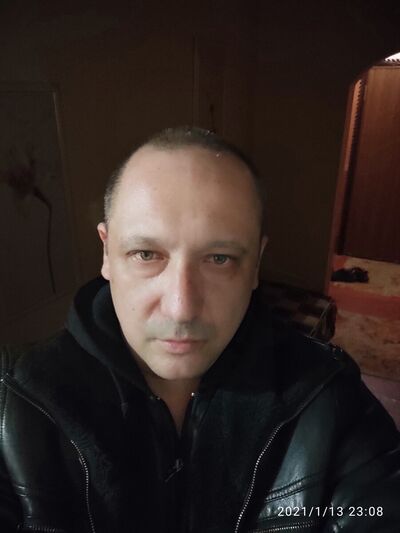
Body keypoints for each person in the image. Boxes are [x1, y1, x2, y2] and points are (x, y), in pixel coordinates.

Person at [0, 126, 399, 533]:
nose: (181, 307)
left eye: (219, 258)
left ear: (256, 263)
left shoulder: (328, 397)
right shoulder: (13, 400)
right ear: (106, 251)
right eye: (146, 254)